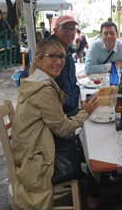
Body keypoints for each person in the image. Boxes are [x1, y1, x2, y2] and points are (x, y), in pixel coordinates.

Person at [11, 40, 99, 210]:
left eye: (61, 57)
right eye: (52, 56)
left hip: (28, 146)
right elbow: (64, 129)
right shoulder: (44, 90)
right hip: (36, 156)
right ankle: (96, 189)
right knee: (92, 147)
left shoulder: (32, 81)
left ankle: (95, 184)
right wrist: (86, 111)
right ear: (39, 60)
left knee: (86, 141)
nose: (59, 62)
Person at [20, 15, 81, 117]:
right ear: (55, 31)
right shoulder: (47, 49)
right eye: (65, 28)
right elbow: (25, 77)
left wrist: (74, 95)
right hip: (54, 113)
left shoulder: (68, 51)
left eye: (73, 29)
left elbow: (72, 83)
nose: (70, 32)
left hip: (67, 105)